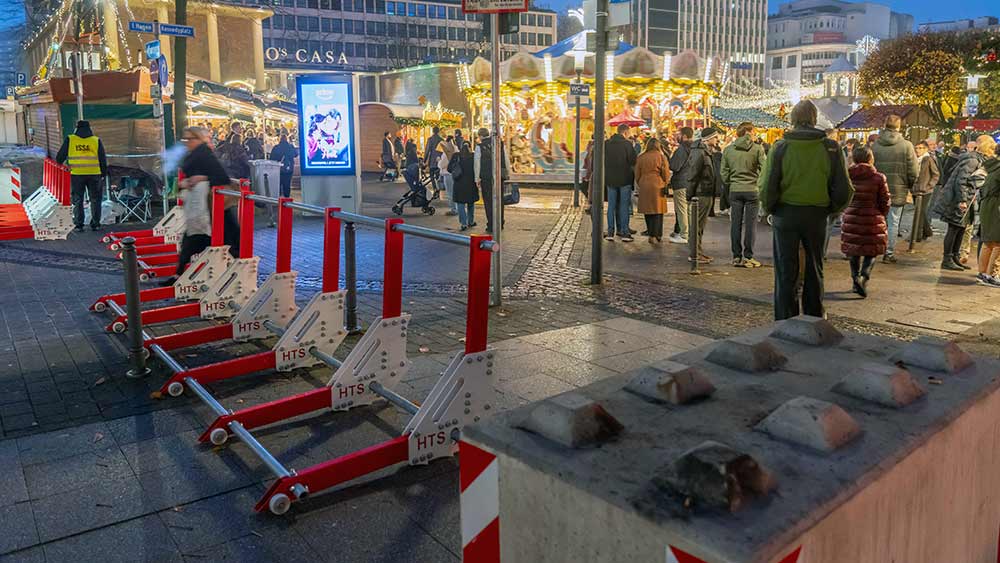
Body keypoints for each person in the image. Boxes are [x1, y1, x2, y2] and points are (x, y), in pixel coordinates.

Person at [759, 100, 853, 320]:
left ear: (793, 118)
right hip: (816, 214)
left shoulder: (781, 147)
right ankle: (813, 315)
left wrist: (769, 208)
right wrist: (833, 209)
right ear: (813, 118)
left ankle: (785, 317)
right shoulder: (829, 147)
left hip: (785, 213)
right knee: (814, 267)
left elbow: (767, 184)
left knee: (785, 269)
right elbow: (844, 187)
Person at [159, 126, 242, 286]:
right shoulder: (194, 154)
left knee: (224, 243)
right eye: (185, 139)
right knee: (193, 241)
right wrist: (187, 182)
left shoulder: (205, 154)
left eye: (190, 139)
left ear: (198, 139)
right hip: (203, 209)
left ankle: (234, 277)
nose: (187, 142)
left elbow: (221, 177)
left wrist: (201, 178)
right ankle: (179, 274)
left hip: (213, 210)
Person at [934, 135, 993, 271]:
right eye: (991, 148)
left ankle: (954, 256)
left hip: (966, 199)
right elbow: (961, 181)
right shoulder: (972, 160)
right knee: (954, 228)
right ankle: (947, 258)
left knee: (961, 228)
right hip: (958, 200)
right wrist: (962, 200)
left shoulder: (976, 159)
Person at [841, 146, 890, 298]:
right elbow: (885, 200)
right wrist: (882, 214)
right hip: (872, 217)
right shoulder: (878, 178)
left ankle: (855, 279)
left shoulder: (847, 176)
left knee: (854, 251)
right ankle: (864, 277)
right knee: (871, 251)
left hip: (852, 217)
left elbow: (842, 196)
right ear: (870, 158)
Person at [871, 114, 919, 263]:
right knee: (893, 222)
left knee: (878, 220)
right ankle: (889, 252)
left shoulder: (876, 145)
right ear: (899, 126)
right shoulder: (906, 146)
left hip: (878, 188)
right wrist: (909, 185)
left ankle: (874, 249)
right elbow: (913, 171)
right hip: (898, 188)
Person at [720, 122, 767, 267]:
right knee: (750, 225)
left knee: (735, 224)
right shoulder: (757, 149)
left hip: (735, 190)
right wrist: (758, 182)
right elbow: (764, 169)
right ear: (749, 132)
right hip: (752, 190)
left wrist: (731, 181)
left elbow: (724, 172)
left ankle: (736, 255)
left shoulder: (728, 150)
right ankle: (748, 256)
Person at [56, 120, 108, 231]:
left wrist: (63, 165)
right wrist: (103, 173)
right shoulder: (96, 140)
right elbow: (102, 159)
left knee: (78, 199)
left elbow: (60, 157)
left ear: (77, 128)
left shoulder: (70, 139)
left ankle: (79, 224)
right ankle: (96, 224)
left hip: (77, 174)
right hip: (95, 174)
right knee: (95, 199)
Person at [685, 126, 722, 263]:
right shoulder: (699, 153)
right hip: (700, 194)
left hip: (706, 192)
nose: (717, 139)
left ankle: (698, 251)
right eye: (715, 137)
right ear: (708, 139)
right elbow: (692, 175)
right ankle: (694, 253)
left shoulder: (706, 152)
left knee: (700, 225)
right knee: (697, 225)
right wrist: (689, 194)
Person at [603, 124, 638, 241]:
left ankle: (610, 232)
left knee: (611, 206)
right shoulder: (627, 144)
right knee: (624, 205)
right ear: (626, 132)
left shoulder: (606, 144)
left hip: (610, 179)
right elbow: (633, 161)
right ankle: (624, 232)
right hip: (625, 178)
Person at [634, 138, 671, 243]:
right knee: (658, 211)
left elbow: (637, 174)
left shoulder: (641, 157)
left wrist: (641, 182)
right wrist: (665, 182)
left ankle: (651, 234)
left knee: (648, 210)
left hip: (645, 184)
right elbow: (666, 173)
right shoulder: (661, 157)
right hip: (658, 184)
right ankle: (658, 234)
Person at [473, 128, 510, 233]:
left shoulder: (479, 147)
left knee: (488, 201)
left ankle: (491, 224)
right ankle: (500, 222)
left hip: (486, 177)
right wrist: (508, 173)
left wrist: (477, 178)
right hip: (499, 176)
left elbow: (477, 164)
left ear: (480, 136)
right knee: (499, 200)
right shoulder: (500, 144)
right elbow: (506, 159)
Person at [975, 144, 1000, 286]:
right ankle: (992, 275)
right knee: (997, 242)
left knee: (989, 241)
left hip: (988, 206)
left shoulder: (992, 165)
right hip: (996, 207)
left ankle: (982, 273)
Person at [668, 127, 695, 244]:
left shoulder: (681, 150)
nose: (676, 137)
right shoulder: (694, 148)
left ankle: (684, 235)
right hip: (690, 182)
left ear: (684, 136)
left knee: (682, 210)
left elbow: (674, 166)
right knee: (688, 210)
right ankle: (689, 233)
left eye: (678, 135)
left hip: (681, 182)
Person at [913, 140, 941, 242]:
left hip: (925, 190)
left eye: (920, 148)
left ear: (925, 149)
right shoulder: (915, 159)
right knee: (920, 211)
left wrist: (929, 186)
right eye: (916, 148)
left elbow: (936, 174)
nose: (918, 150)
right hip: (915, 189)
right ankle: (927, 231)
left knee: (920, 212)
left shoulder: (928, 159)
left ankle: (918, 235)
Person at [450, 141, 478, 231]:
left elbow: (449, 168)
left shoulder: (456, 156)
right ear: (470, 147)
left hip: (459, 183)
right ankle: (471, 221)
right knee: (471, 203)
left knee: (460, 204)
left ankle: (463, 223)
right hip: (471, 184)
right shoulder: (473, 156)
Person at [437, 135, 459, 216]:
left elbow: (442, 164)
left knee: (450, 192)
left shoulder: (447, 152)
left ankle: (454, 209)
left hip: (448, 174)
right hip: (455, 174)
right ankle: (457, 208)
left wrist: (439, 161)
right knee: (455, 192)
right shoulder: (457, 149)